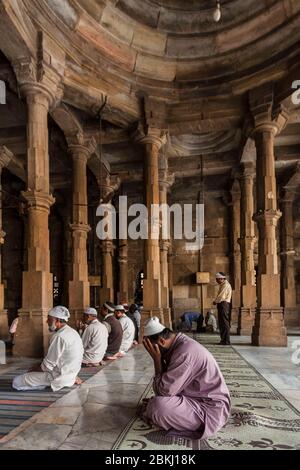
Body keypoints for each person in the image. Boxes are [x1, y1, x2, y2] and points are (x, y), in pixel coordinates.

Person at [141, 317, 231, 440]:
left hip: (209, 409)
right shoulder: (179, 343)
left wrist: (156, 359)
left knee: (158, 407)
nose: (152, 351)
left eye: (153, 348)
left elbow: (163, 392)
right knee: (156, 403)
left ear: (161, 341)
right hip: (194, 397)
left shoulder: (184, 353)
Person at [12, 306, 84, 391]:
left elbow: (47, 367)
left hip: (58, 377)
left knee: (16, 382)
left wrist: (32, 370)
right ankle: (70, 379)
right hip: (71, 373)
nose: (47, 322)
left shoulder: (59, 337)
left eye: (49, 319)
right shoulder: (72, 332)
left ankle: (48, 385)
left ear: (57, 321)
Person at [213, 272, 232, 345]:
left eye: (217, 280)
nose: (217, 281)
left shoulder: (225, 285)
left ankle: (226, 341)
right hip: (222, 304)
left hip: (224, 304)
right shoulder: (223, 285)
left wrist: (215, 301)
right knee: (222, 323)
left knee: (224, 323)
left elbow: (221, 296)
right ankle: (223, 340)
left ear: (221, 279)